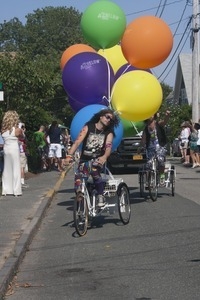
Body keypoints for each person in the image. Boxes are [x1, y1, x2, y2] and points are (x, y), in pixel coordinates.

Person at [65, 108, 119, 207]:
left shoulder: (109, 133)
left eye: (111, 120)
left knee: (94, 170)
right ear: (101, 116)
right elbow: (77, 142)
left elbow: (108, 146)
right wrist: (69, 155)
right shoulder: (88, 127)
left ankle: (100, 195)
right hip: (84, 160)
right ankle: (81, 199)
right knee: (78, 179)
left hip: (97, 161)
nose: (109, 120)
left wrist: (104, 157)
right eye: (107, 117)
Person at [138, 110, 170, 186]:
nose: (151, 116)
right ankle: (148, 181)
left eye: (152, 114)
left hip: (160, 145)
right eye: (149, 114)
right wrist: (140, 147)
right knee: (148, 164)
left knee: (160, 160)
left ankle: (162, 176)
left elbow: (164, 122)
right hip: (150, 147)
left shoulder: (158, 124)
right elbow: (143, 140)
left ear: (154, 115)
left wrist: (167, 116)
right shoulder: (146, 128)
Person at [1, 110, 23, 196]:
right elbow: (22, 136)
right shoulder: (17, 130)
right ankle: (16, 190)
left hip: (6, 149)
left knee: (7, 169)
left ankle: (6, 190)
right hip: (14, 148)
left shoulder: (3, 129)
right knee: (16, 168)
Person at [18, 122, 29, 188]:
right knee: (22, 167)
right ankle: (22, 182)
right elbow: (25, 140)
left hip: (15, 152)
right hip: (21, 151)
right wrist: (23, 131)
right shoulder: (21, 134)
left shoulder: (13, 133)